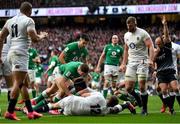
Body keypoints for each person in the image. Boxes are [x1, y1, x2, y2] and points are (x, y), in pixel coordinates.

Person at [0, 2, 48, 120]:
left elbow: (1, 37)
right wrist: (42, 36)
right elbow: (34, 38)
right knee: (18, 83)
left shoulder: (9, 21)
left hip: (12, 53)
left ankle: (30, 111)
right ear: (29, 11)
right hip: (20, 53)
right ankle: (10, 111)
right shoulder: (29, 20)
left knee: (24, 84)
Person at [120, 16, 154, 115]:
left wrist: (151, 60)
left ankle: (144, 109)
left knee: (142, 85)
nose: (129, 28)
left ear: (135, 23)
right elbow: (126, 50)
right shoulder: (126, 35)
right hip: (131, 63)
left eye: (130, 25)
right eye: (127, 26)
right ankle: (139, 100)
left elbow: (150, 46)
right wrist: (123, 63)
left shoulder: (143, 33)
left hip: (142, 62)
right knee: (128, 88)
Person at [153, 15, 180, 115]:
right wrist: (155, 70)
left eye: (160, 43)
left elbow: (167, 35)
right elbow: (153, 61)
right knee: (161, 89)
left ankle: (170, 108)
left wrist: (165, 24)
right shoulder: (156, 50)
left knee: (175, 89)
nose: (159, 44)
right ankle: (168, 106)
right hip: (160, 72)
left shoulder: (170, 46)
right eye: (157, 44)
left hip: (171, 69)